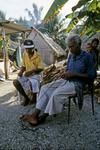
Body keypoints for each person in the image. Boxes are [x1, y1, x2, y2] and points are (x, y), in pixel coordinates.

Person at [20, 34, 96, 126]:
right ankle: (34, 114)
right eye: (69, 47)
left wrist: (75, 74)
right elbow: (68, 69)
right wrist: (65, 74)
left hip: (78, 84)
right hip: (67, 80)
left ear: (79, 45)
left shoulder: (87, 57)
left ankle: (43, 117)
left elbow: (92, 75)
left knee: (56, 94)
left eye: (72, 47)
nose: (70, 49)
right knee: (45, 88)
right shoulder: (71, 56)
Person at [13, 39, 44, 106]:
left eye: (29, 49)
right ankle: (26, 97)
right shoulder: (25, 54)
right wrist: (21, 71)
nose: (27, 50)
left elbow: (41, 68)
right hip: (27, 74)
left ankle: (34, 97)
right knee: (16, 82)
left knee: (33, 83)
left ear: (33, 48)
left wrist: (31, 71)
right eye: (26, 49)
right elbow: (24, 66)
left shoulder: (38, 56)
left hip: (36, 75)